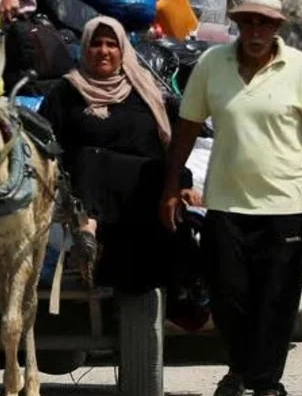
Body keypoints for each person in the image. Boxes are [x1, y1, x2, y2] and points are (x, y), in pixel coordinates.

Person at [159, 0, 302, 396]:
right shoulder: (212, 64)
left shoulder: (299, 69)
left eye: (264, 22)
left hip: (285, 205)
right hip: (225, 203)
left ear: (278, 27)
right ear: (238, 24)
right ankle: (243, 367)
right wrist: (171, 186)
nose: (255, 30)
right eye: (247, 21)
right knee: (228, 298)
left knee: (275, 302)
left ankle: (267, 388)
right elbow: (186, 130)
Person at [40, 17, 197, 284]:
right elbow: (43, 145)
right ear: (85, 49)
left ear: (122, 50)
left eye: (112, 44)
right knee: (90, 158)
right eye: (96, 44)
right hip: (86, 193)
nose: (103, 51)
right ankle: (85, 237)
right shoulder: (65, 92)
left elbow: (171, 145)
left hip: (141, 191)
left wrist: (181, 184)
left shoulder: (144, 90)